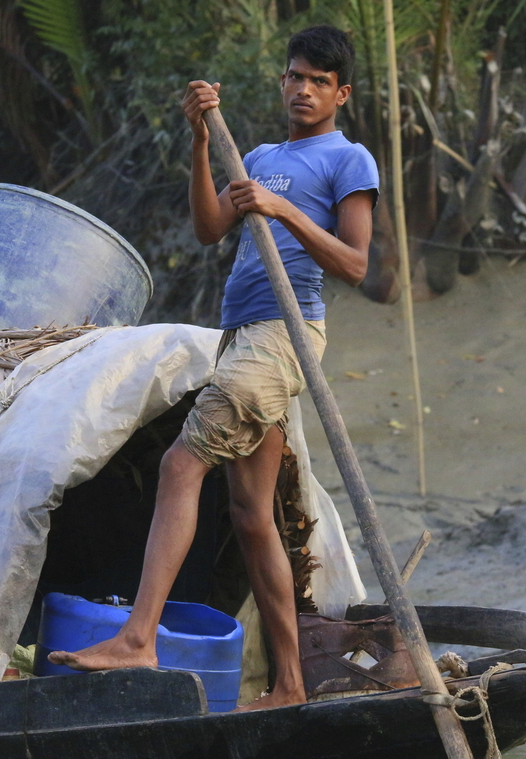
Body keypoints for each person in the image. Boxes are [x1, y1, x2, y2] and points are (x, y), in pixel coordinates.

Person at [48, 24, 379, 711]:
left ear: (340, 93)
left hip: (284, 336)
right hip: (241, 333)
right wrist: (202, 140)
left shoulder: (350, 160)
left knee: (179, 466)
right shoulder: (254, 154)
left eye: (319, 82)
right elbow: (208, 228)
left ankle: (139, 636)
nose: (303, 89)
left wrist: (281, 207)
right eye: (294, 77)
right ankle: (288, 684)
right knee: (252, 514)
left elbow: (354, 263)